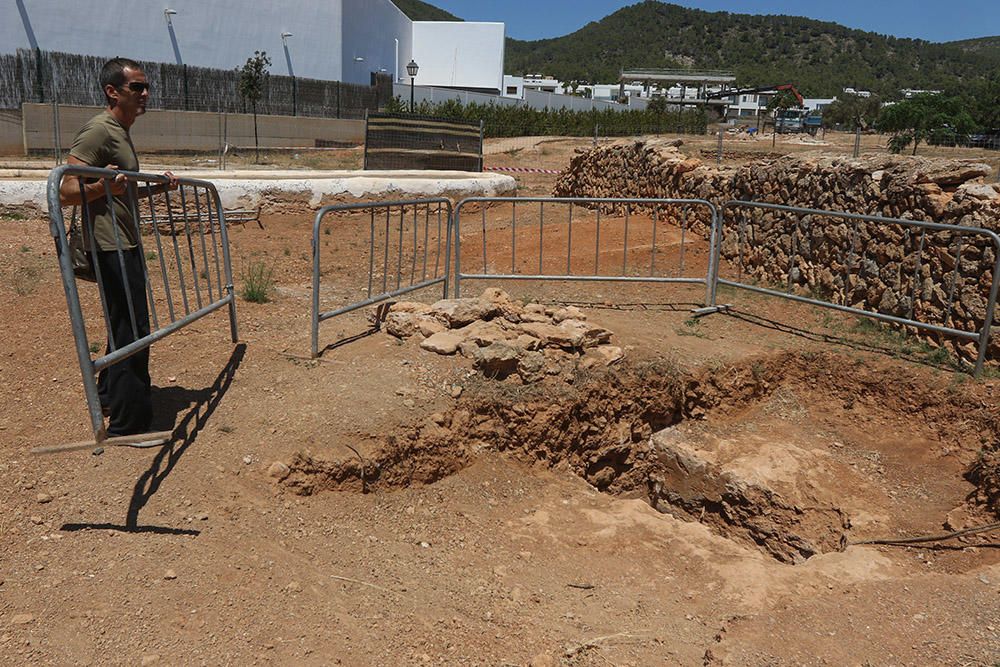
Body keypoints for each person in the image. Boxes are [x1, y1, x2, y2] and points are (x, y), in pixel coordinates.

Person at [58, 57, 178, 436]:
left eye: (146, 87)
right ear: (113, 91)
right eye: (136, 87)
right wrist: (99, 187)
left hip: (123, 242)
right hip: (111, 247)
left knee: (121, 324)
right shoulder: (99, 130)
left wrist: (157, 186)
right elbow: (64, 190)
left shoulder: (120, 130)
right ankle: (129, 424)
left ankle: (110, 394)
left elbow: (121, 189)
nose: (145, 94)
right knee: (132, 330)